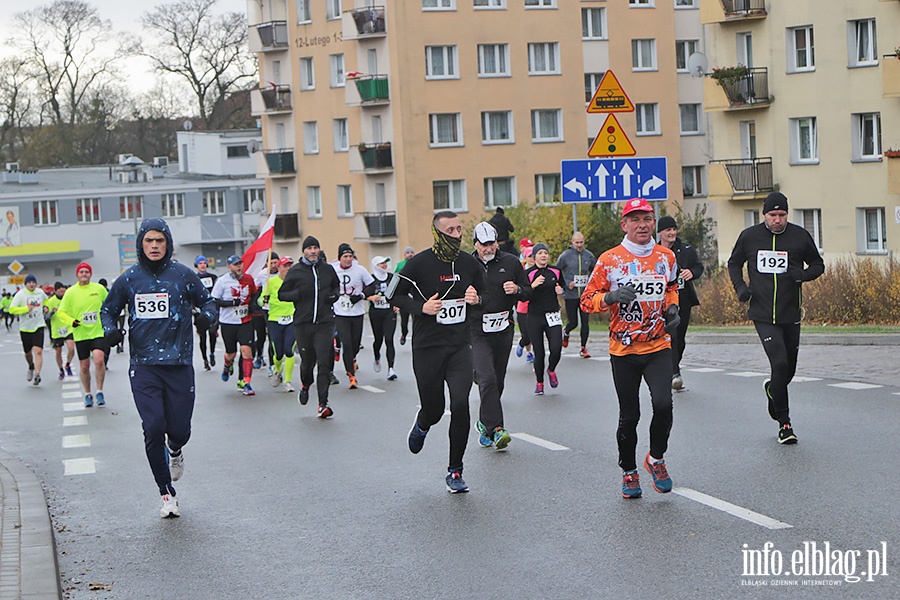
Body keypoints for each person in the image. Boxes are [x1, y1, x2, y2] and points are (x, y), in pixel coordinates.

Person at [101, 218, 218, 518]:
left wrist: (207, 317)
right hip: (144, 365)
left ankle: (176, 449)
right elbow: (108, 310)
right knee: (153, 428)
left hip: (178, 363)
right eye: (149, 241)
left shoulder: (183, 276)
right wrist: (110, 330)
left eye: (160, 241)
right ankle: (167, 493)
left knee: (179, 430)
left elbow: (208, 303)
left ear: (167, 243)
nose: (154, 246)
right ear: (141, 243)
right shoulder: (128, 279)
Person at [581, 198, 681, 499]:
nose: (642, 225)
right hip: (623, 349)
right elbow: (587, 300)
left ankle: (656, 458)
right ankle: (628, 471)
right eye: (635, 220)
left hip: (658, 344)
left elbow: (672, 288)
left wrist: (673, 309)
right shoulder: (610, 259)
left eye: (647, 219)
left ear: (654, 223)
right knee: (630, 414)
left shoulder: (666, 257)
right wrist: (610, 297)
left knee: (663, 404)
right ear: (624, 225)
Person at [389, 211, 485, 493]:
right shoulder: (417, 263)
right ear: (437, 233)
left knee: (460, 405)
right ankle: (422, 423)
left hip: (459, 346)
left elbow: (486, 296)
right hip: (428, 347)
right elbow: (392, 293)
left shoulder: (469, 263)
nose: (457, 235)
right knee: (433, 408)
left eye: (459, 229)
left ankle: (455, 470)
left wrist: (477, 298)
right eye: (450, 230)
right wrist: (421, 308)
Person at [726, 192, 824, 445]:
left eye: (782, 215)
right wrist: (740, 288)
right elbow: (734, 263)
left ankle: (773, 389)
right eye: (773, 215)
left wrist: (802, 275)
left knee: (788, 371)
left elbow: (818, 264)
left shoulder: (799, 236)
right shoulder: (750, 237)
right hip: (762, 313)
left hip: (790, 312)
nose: (778, 220)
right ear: (764, 215)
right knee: (779, 364)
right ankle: (785, 423)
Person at [469, 222, 531, 450]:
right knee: (488, 380)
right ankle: (497, 430)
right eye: (484, 244)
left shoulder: (511, 262)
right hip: (477, 330)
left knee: (497, 382)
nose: (489, 248)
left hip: (503, 329)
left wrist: (517, 290)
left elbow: (528, 290)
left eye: (492, 243)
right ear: (475, 244)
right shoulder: (467, 265)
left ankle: (485, 424)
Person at [278, 236, 340, 417]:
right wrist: (298, 293)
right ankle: (305, 384)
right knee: (307, 363)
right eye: (309, 248)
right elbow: (283, 294)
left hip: (324, 323)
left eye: (315, 248)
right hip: (303, 324)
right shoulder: (296, 271)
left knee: (323, 363)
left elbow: (336, 288)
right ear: (303, 251)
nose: (313, 251)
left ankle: (323, 404)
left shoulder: (327, 270)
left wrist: (333, 297)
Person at [657, 216, 704, 390]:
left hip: (683, 298)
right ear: (660, 232)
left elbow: (699, 267)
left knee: (681, 338)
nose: (672, 233)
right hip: (662, 300)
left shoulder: (686, 250)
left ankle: (674, 367)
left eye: (674, 230)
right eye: (668, 230)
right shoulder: (654, 251)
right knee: (671, 336)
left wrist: (692, 272)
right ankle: (674, 372)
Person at [57, 262, 109, 407]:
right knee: (84, 366)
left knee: (99, 360)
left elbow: (110, 305)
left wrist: (108, 322)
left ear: (90, 274)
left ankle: (99, 391)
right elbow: (61, 312)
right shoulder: (71, 292)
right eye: (81, 272)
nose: (84, 274)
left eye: (87, 272)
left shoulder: (99, 289)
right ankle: (88, 393)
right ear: (77, 274)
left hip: (98, 331)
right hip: (81, 334)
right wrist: (71, 321)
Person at [210, 255, 258, 396]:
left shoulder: (248, 279)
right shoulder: (222, 281)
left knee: (246, 350)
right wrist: (231, 304)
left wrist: (252, 305)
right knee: (231, 353)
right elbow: (215, 300)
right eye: (235, 264)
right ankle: (227, 364)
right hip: (228, 322)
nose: (239, 267)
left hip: (245, 321)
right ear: (229, 266)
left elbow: (254, 293)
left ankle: (247, 383)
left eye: (240, 264)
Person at [331, 243, 374, 389]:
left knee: (355, 344)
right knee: (347, 344)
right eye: (345, 256)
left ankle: (353, 359)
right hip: (340, 313)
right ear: (339, 258)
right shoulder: (333, 270)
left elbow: (372, 285)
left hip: (357, 312)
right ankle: (351, 376)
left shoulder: (360, 269)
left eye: (350, 256)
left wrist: (361, 295)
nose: (348, 259)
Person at [525, 243, 565, 395]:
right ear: (534, 256)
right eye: (540, 253)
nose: (543, 256)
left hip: (552, 315)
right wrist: (533, 285)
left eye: (545, 253)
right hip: (535, 316)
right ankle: (539, 382)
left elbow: (564, 286)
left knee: (556, 348)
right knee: (539, 352)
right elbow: (523, 294)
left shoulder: (555, 271)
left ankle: (551, 369)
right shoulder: (529, 273)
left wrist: (561, 290)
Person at [557, 231, 596, 359]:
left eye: (581, 242)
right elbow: (557, 272)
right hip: (570, 294)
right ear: (572, 242)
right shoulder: (565, 256)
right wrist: (566, 284)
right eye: (577, 242)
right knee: (573, 322)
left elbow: (596, 271)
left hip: (585, 295)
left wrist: (591, 283)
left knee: (585, 321)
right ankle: (566, 332)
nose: (579, 245)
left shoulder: (588, 255)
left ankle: (583, 348)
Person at [261, 256, 297, 393]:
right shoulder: (271, 282)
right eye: (285, 266)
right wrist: (263, 300)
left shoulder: (296, 282)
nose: (287, 269)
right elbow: (261, 300)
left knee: (289, 350)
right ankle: (277, 369)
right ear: (279, 268)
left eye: (289, 266)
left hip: (292, 319)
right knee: (278, 353)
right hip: (275, 319)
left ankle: (288, 381)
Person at [8, 274, 48, 386]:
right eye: (29, 282)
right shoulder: (20, 295)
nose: (32, 284)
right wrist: (25, 309)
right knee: (28, 352)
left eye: (33, 282)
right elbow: (12, 309)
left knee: (38, 351)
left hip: (38, 325)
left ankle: (37, 374)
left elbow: (47, 301)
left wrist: (46, 307)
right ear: (25, 284)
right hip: (25, 328)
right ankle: (31, 365)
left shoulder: (40, 292)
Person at [364, 256, 399, 381]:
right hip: (376, 313)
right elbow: (363, 294)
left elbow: (399, 292)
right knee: (378, 339)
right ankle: (377, 356)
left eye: (385, 263)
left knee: (389, 339)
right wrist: (371, 298)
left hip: (389, 312)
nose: (384, 265)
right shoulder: (370, 279)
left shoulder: (392, 277)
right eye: (381, 264)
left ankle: (391, 369)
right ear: (375, 266)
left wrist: (397, 303)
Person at [251, 253, 278, 371]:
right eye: (271, 263)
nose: (273, 265)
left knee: (273, 337)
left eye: (275, 262)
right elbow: (254, 289)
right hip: (265, 309)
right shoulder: (262, 274)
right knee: (261, 335)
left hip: (278, 309)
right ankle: (259, 355)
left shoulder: (282, 273)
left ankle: (272, 363)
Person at [44, 282, 76, 380]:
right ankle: (61, 369)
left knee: (71, 348)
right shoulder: (51, 301)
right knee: (58, 351)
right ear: (55, 290)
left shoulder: (68, 299)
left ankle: (68, 364)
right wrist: (51, 312)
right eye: (59, 289)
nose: (61, 290)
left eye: (63, 288)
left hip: (68, 327)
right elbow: (46, 316)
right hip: (57, 330)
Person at [194, 255, 218, 370]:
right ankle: (205, 360)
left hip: (212, 309)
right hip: (199, 311)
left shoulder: (213, 277)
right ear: (197, 266)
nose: (203, 265)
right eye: (200, 263)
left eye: (204, 263)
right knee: (202, 337)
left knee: (212, 333)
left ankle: (212, 353)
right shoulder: (194, 278)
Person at [514, 245, 535, 363]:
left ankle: (530, 353)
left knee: (534, 333)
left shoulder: (539, 271)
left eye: (534, 256)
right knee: (526, 335)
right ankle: (523, 344)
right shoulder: (521, 271)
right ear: (525, 258)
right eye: (529, 256)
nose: (532, 259)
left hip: (536, 307)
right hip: (523, 307)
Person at [394, 246, 415, 345]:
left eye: (412, 252)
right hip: (404, 294)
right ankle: (404, 334)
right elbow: (396, 280)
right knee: (404, 319)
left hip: (414, 295)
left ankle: (416, 336)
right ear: (404, 255)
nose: (410, 254)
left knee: (416, 319)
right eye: (408, 253)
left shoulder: (417, 263)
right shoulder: (400, 265)